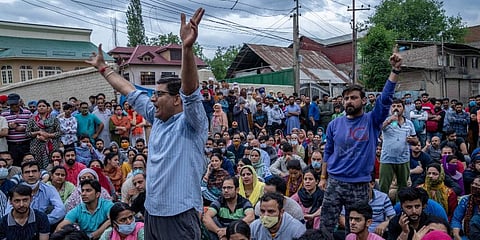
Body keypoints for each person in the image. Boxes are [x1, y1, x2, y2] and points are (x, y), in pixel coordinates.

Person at [86, 8, 208, 239]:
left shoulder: (192, 124)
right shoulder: (156, 117)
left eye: (159, 94)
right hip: (152, 212)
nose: (153, 98)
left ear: (176, 99)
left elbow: (191, 91)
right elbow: (129, 90)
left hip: (180, 214)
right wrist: (103, 69)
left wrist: (187, 48)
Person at [319, 48, 402, 234]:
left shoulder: (372, 121)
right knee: (325, 226)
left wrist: (395, 71)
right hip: (334, 182)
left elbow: (385, 99)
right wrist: (323, 178)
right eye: (346, 98)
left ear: (364, 101)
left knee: (355, 229)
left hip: (360, 184)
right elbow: (328, 152)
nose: (349, 101)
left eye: (354, 98)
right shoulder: (334, 124)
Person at [379, 98, 418, 196]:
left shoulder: (409, 123)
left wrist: (412, 140)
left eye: (399, 106)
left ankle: (400, 207)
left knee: (403, 187)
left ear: (403, 109)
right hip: (387, 159)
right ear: (390, 109)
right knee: (383, 186)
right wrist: (389, 121)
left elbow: (416, 140)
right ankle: (382, 208)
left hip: (403, 159)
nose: (396, 108)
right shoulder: (386, 121)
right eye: (394, 106)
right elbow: (377, 129)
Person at [16, 161, 65, 225]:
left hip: (43, 225)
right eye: (27, 172)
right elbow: (8, 213)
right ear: (22, 176)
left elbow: (61, 209)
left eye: (34, 171)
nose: (31, 175)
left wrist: (43, 221)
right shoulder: (16, 191)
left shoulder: (49, 189)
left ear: (40, 174)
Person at [25, 100, 61, 169]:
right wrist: (38, 132)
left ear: (47, 108)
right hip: (36, 146)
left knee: (52, 165)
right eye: (39, 106)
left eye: (43, 106)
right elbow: (27, 133)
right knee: (37, 165)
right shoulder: (32, 120)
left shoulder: (54, 119)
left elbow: (59, 132)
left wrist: (48, 135)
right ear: (37, 108)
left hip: (51, 145)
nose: (41, 108)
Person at [2, 93, 32, 166]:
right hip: (12, 145)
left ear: (19, 102)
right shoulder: (4, 114)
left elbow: (34, 127)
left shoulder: (28, 113)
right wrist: (8, 126)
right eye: (11, 104)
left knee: (27, 164)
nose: (13, 106)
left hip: (25, 144)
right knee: (14, 164)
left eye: (15, 104)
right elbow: (2, 128)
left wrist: (24, 128)